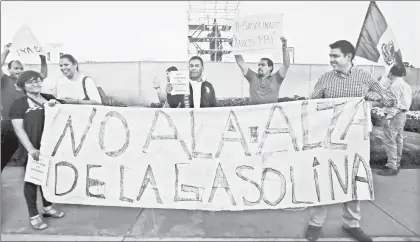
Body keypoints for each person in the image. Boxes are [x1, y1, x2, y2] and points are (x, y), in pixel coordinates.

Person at [306, 40, 397, 242]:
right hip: (328, 140)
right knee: (324, 179)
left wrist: (374, 96)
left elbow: (391, 100)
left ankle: (351, 224)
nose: (331, 60)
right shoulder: (325, 79)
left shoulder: (365, 78)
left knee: (353, 181)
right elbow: (311, 104)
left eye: (335, 56)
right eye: (330, 56)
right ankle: (315, 224)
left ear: (348, 57)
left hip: (356, 140)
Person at [9, 70, 65, 230]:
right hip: (32, 149)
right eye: (31, 82)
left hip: (49, 148)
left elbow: (63, 115)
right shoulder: (19, 103)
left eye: (38, 80)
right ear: (23, 86)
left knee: (47, 178)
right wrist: (31, 149)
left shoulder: (49, 98)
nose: (36, 84)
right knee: (32, 181)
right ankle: (34, 215)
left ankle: (47, 208)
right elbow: (18, 128)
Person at [1, 43, 48, 172]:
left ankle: (32, 184)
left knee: (31, 156)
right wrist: (5, 52)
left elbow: (42, 75)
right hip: (9, 123)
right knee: (3, 155)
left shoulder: (25, 83)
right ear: (9, 69)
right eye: (16, 68)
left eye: (21, 68)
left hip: (27, 124)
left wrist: (42, 58)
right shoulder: (4, 80)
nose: (19, 71)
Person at [377, 65, 412, 176]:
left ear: (391, 73)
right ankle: (397, 162)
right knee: (398, 139)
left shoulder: (394, 86)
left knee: (389, 140)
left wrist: (388, 117)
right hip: (402, 114)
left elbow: (394, 104)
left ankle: (391, 166)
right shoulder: (406, 86)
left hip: (393, 115)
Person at [234, 36, 290, 105]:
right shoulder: (253, 77)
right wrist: (235, 46)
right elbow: (241, 63)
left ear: (270, 67)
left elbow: (286, 64)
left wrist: (284, 47)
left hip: (270, 114)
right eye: (259, 65)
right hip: (253, 113)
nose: (260, 66)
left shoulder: (276, 78)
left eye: (263, 65)